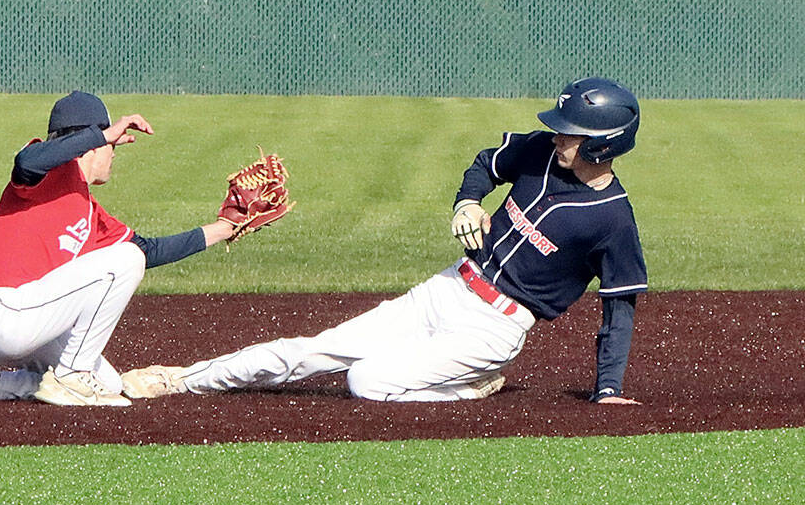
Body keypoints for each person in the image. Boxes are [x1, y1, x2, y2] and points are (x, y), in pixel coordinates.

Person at [121, 77, 647, 404]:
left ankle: (465, 385)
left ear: (604, 144)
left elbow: (619, 310)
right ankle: (183, 379)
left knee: (369, 382)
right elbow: (486, 165)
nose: (559, 136)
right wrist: (468, 200)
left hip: (494, 331)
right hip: (446, 289)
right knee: (312, 351)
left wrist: (608, 390)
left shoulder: (612, 220)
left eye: (571, 132)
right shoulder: (538, 152)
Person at [0, 90, 244, 406]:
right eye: (110, 144)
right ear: (92, 142)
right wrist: (100, 135)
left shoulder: (90, 212)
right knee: (126, 260)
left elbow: (149, 251)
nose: (114, 152)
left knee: (109, 385)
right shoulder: (48, 172)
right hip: (3, 313)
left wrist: (223, 228)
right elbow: (26, 160)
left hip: (32, 324)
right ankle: (71, 375)